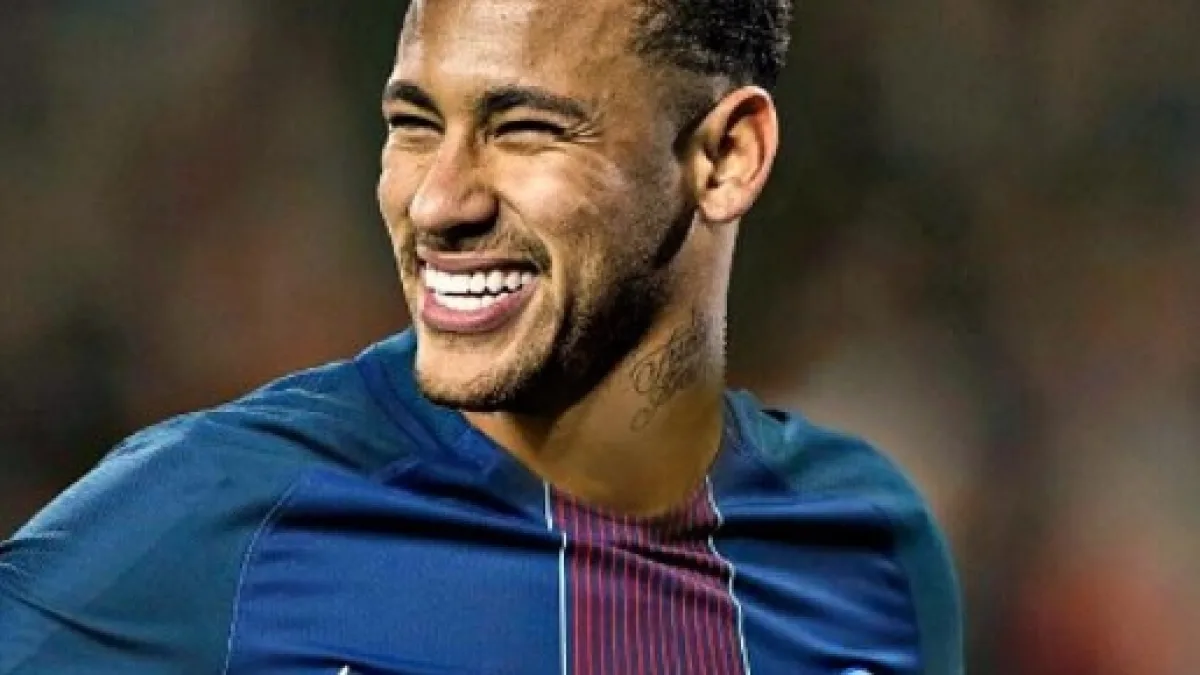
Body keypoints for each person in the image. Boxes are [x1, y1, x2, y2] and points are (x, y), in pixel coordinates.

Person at [0, 0, 963, 672]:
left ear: (726, 157)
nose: (438, 201)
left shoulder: (868, 548)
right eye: (414, 124)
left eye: (525, 128)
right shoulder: (221, 509)